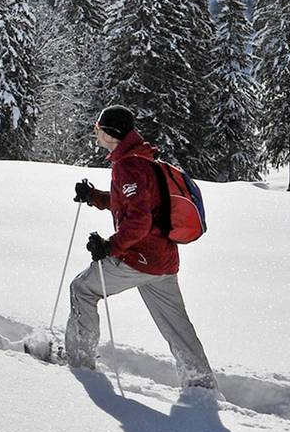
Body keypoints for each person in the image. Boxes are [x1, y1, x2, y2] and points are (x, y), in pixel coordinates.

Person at [66, 105, 214, 386]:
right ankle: (201, 384)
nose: (95, 133)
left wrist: (109, 247)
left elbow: (139, 221)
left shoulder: (128, 166)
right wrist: (94, 197)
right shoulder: (142, 159)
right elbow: (133, 202)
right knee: (177, 327)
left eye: (98, 129)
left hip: (138, 258)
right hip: (163, 261)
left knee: (82, 289)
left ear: (110, 133)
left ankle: (80, 362)